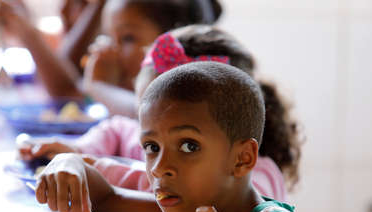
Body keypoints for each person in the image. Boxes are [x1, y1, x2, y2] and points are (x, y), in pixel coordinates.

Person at [34, 62, 322, 212]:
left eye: (188, 146)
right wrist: (69, 162)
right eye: (152, 148)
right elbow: (106, 199)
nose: (159, 169)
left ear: (242, 159)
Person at [22, 25, 303, 201]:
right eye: (145, 116)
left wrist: (94, 168)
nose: (158, 164)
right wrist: (75, 150)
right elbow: (117, 129)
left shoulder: (257, 178)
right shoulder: (144, 137)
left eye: (188, 144)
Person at [0, 0, 223, 117]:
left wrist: (98, 86)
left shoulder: (177, 90)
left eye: (128, 38)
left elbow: (148, 114)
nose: (113, 49)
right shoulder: (128, 81)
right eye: (110, 37)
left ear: (173, 42)